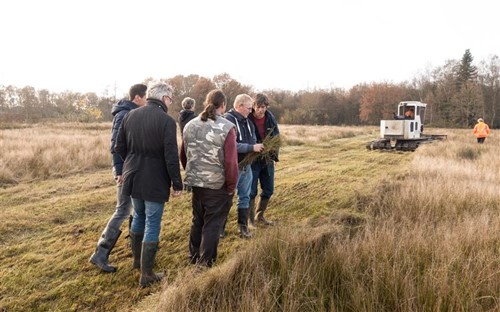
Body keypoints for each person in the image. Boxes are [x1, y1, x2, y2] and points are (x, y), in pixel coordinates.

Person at [115, 81, 183, 287]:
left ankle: (138, 262)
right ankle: (147, 274)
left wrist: (132, 161)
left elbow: (119, 146)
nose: (170, 103)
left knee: (139, 217)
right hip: (154, 179)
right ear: (164, 98)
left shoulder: (130, 115)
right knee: (152, 222)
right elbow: (171, 156)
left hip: (133, 175)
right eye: (170, 99)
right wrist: (177, 183)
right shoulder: (167, 122)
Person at [89, 83, 147, 273]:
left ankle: (135, 245)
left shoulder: (132, 113)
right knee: (123, 209)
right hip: (125, 171)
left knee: (134, 209)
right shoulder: (124, 115)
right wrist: (120, 171)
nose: (147, 101)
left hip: (131, 169)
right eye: (145, 97)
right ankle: (100, 253)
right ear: (137, 98)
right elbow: (115, 146)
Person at [180, 89, 238, 268]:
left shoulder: (190, 125)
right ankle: (205, 264)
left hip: (196, 183)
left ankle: (193, 256)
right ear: (223, 105)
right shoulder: (227, 127)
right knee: (212, 225)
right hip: (216, 185)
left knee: (198, 221)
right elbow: (230, 162)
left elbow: (183, 155)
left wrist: (193, 173)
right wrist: (231, 185)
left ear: (206, 102)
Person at [223, 94, 264, 238]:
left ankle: (243, 229)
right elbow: (230, 145)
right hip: (232, 166)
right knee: (226, 197)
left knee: (245, 197)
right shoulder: (228, 120)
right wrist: (251, 148)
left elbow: (252, 138)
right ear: (239, 106)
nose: (250, 110)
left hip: (247, 166)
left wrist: (255, 147)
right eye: (248, 108)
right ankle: (220, 230)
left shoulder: (248, 122)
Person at [248, 93, 280, 227]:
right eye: (259, 107)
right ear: (254, 106)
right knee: (251, 191)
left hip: (267, 159)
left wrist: (272, 153)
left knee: (269, 189)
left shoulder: (270, 117)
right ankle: (250, 221)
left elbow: (276, 136)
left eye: (264, 107)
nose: (261, 110)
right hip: (252, 159)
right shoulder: (247, 118)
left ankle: (260, 215)